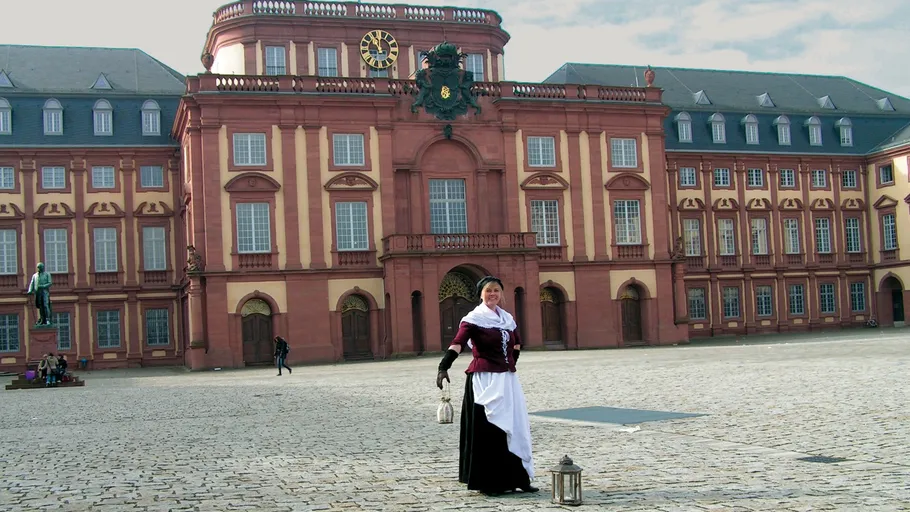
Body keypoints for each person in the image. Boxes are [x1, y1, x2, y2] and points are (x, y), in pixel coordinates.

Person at [436, 275, 538, 496]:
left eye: (497, 291)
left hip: (507, 380)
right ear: (481, 294)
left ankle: (518, 478)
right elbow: (457, 344)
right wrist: (443, 367)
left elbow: (517, 343)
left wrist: (510, 364)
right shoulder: (473, 319)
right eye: (488, 290)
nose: (493, 294)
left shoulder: (507, 319)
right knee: (489, 429)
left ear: (501, 294)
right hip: (484, 380)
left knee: (514, 426)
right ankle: (489, 481)